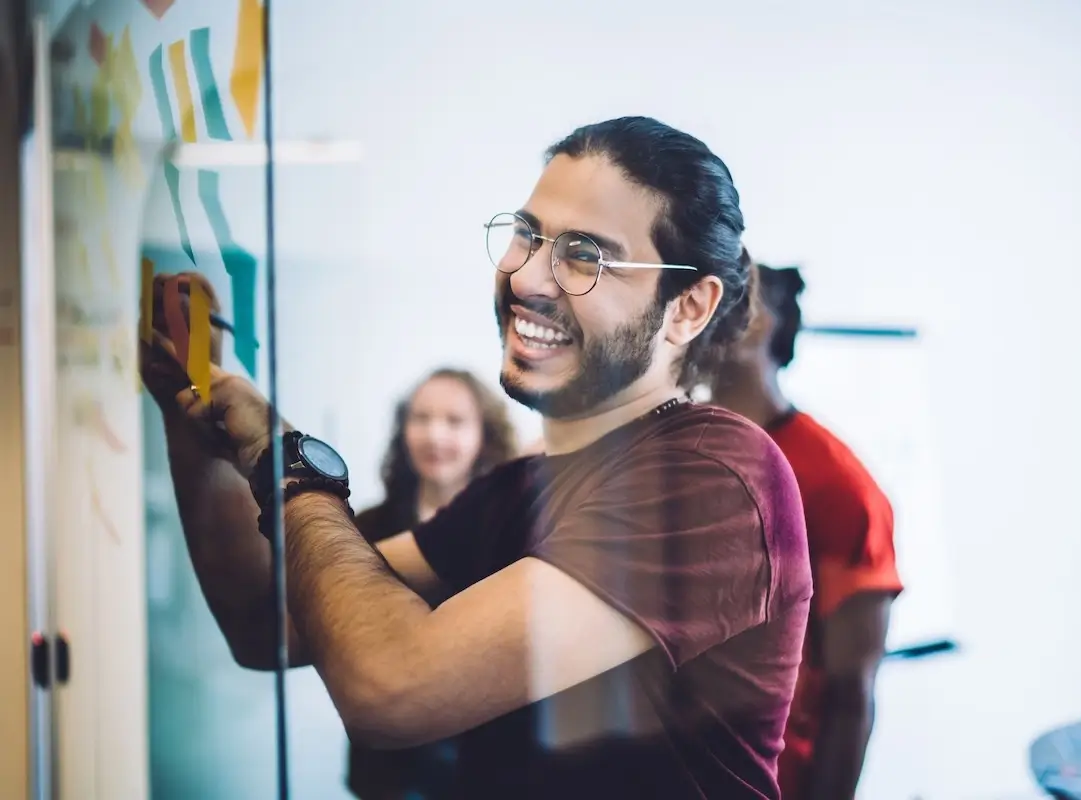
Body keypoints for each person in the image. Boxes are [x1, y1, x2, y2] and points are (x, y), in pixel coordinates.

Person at [140, 116, 812, 799]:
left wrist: (284, 458)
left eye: (584, 254)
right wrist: (195, 425)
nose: (527, 279)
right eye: (527, 235)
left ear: (689, 307)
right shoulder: (514, 490)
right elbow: (267, 627)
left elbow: (390, 688)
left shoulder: (715, 478)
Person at [710, 254, 904, 800]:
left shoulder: (836, 484)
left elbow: (851, 692)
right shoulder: (677, 455)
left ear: (763, 327)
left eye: (735, 300)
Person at [348, 369, 517, 800]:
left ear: (485, 433)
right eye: (420, 418)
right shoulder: (367, 527)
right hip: (389, 765)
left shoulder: (511, 530)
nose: (434, 435)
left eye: (454, 421)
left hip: (488, 764)